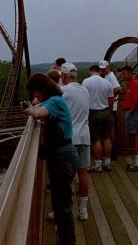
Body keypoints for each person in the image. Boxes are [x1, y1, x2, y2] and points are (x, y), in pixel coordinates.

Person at [24, 73, 78, 244]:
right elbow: (40, 105)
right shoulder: (54, 100)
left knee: (63, 207)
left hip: (63, 156)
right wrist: (35, 103)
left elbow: (39, 113)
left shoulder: (55, 102)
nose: (34, 96)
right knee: (60, 204)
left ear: (40, 90)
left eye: (34, 93)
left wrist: (29, 109)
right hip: (62, 155)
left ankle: (68, 242)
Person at [59, 62, 91, 221]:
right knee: (83, 172)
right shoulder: (85, 91)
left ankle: (66, 210)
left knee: (66, 177)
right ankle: (83, 209)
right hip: (85, 137)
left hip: (69, 138)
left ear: (63, 77)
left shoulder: (63, 91)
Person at [82, 65, 115, 172]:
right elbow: (111, 99)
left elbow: (84, 98)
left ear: (90, 71)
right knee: (106, 137)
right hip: (105, 111)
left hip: (92, 112)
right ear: (99, 71)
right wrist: (108, 110)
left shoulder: (86, 82)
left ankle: (98, 165)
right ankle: (108, 163)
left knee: (96, 139)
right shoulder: (107, 83)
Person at [119, 65, 138, 171]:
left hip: (133, 113)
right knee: (134, 137)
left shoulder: (135, 84)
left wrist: (130, 112)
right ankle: (137, 162)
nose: (123, 75)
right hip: (132, 112)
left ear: (130, 72)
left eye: (124, 73)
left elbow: (137, 100)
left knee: (135, 137)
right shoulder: (132, 84)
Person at [99, 60, 122, 160]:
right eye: (101, 68)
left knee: (110, 129)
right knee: (109, 129)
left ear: (108, 67)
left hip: (111, 107)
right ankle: (111, 152)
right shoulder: (107, 77)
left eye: (104, 68)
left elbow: (118, 88)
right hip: (110, 105)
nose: (102, 70)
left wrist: (110, 97)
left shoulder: (111, 76)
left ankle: (112, 151)